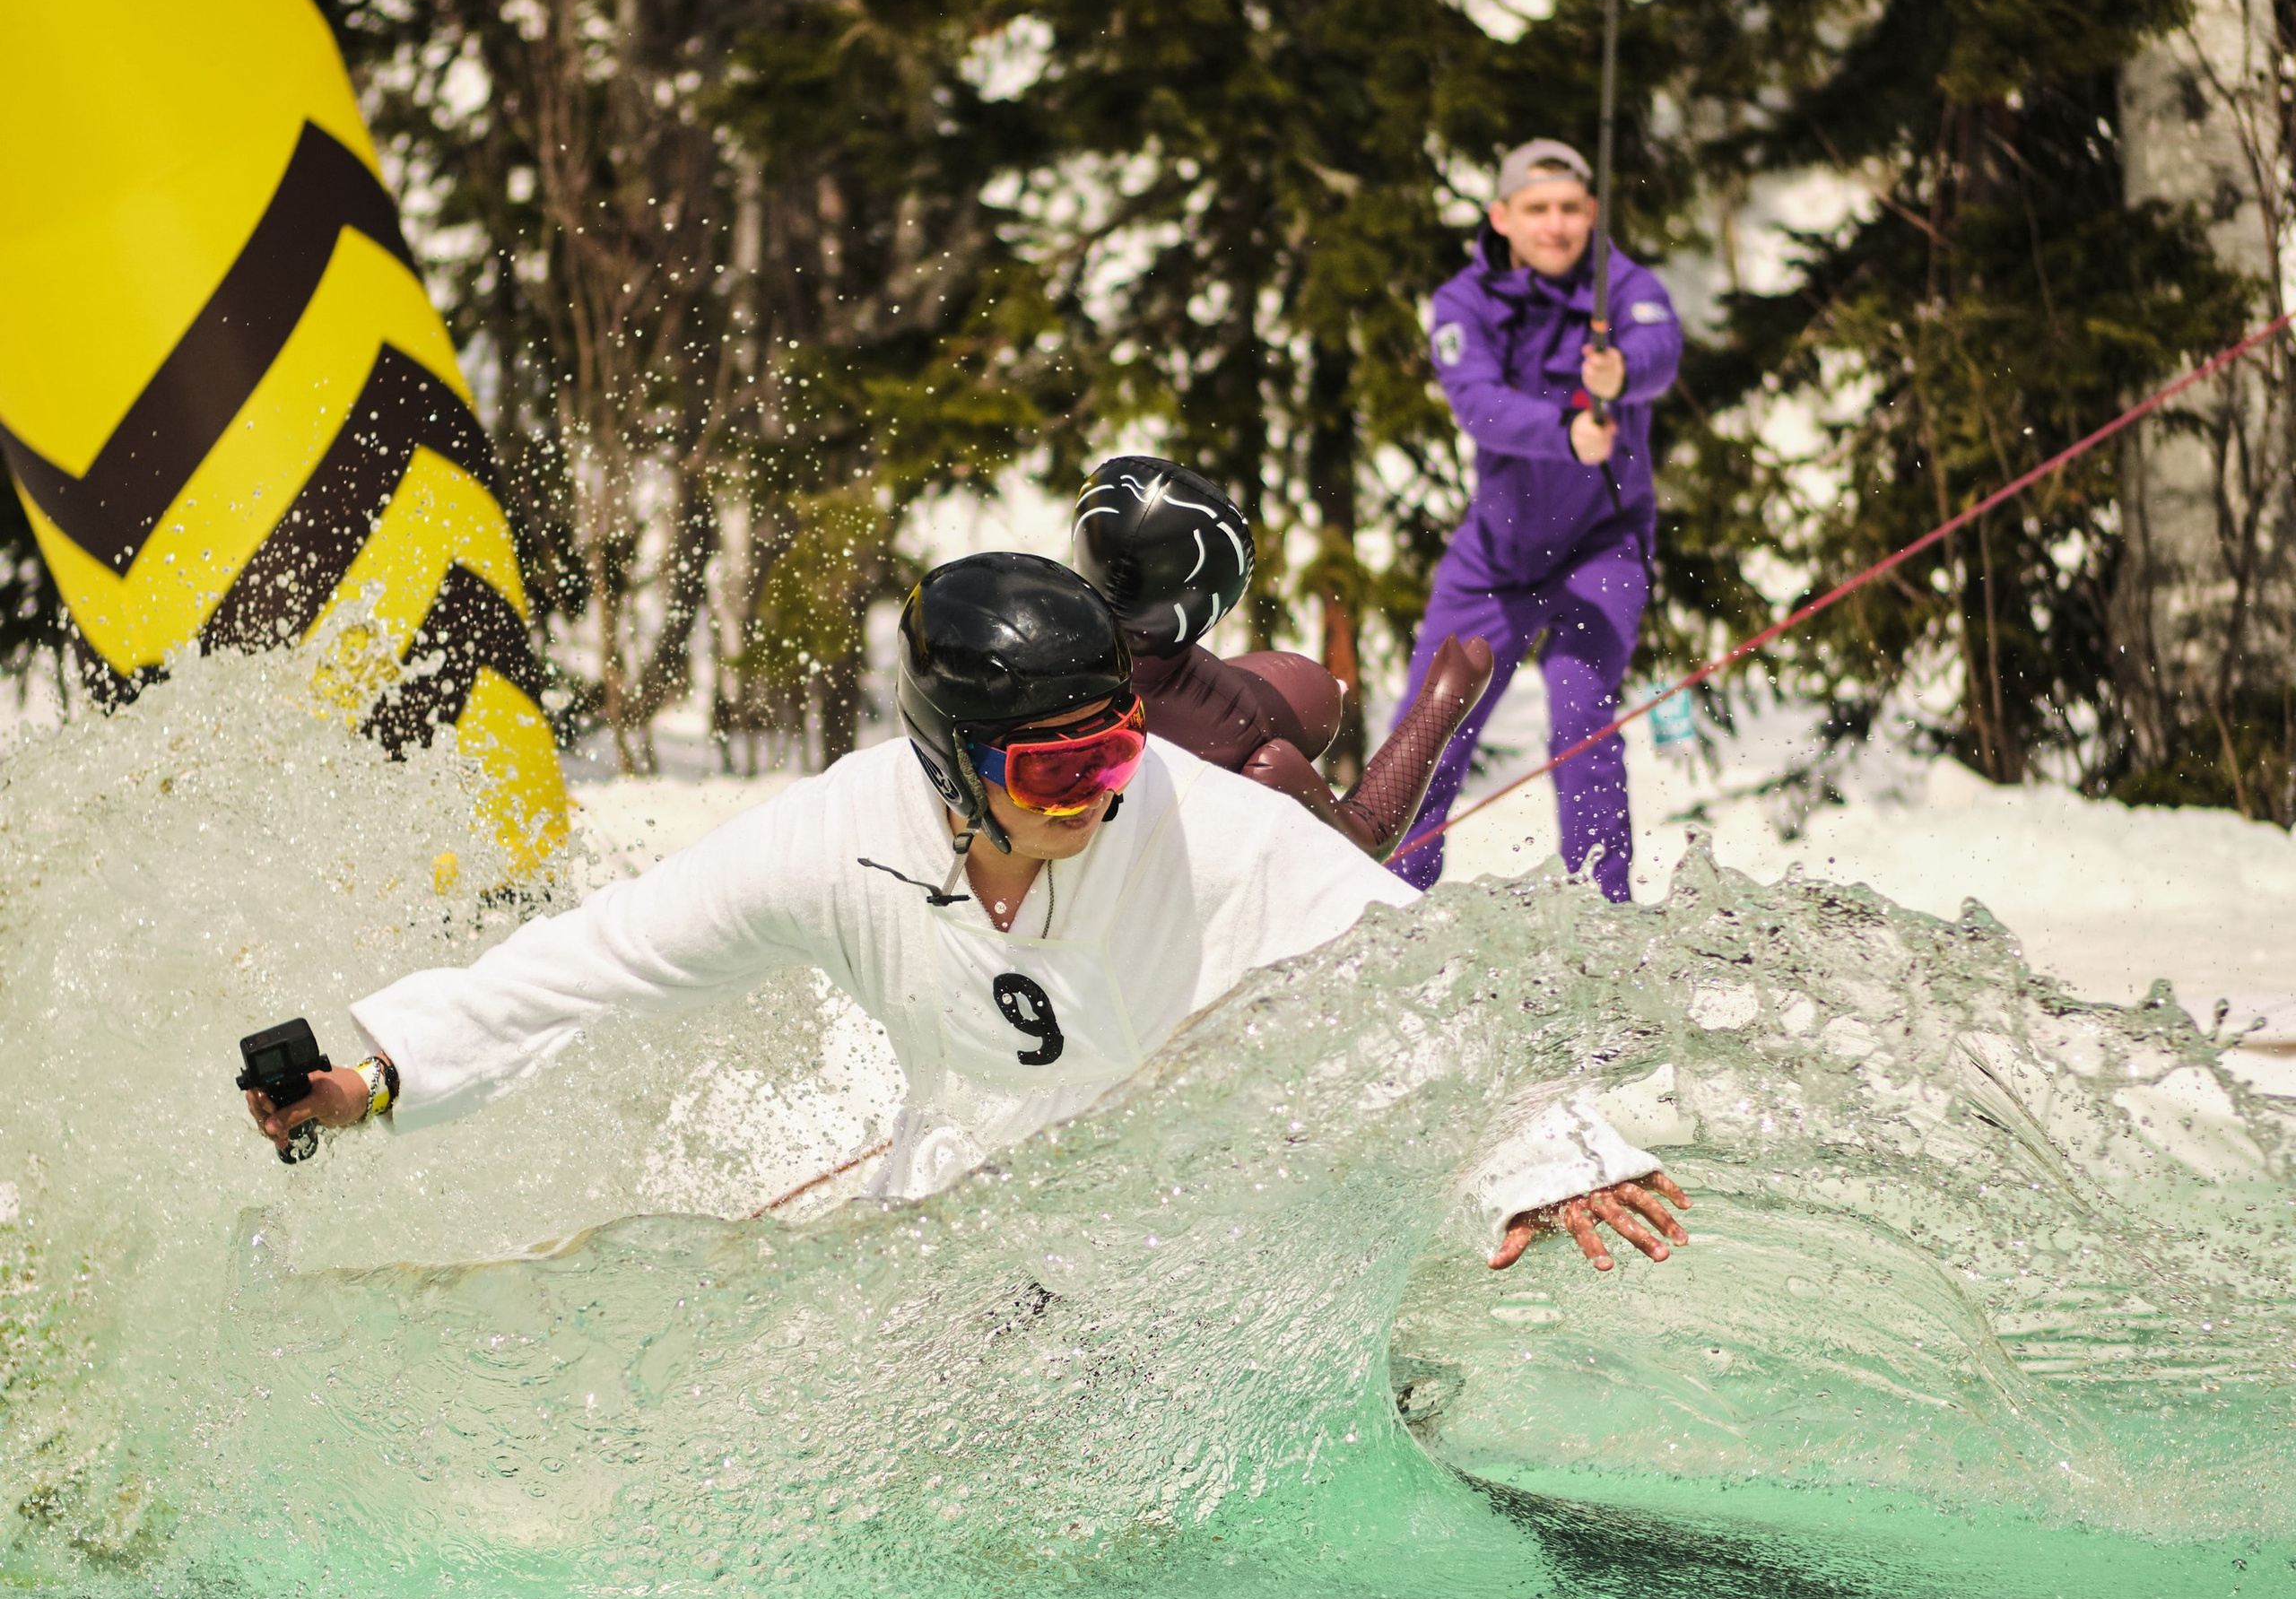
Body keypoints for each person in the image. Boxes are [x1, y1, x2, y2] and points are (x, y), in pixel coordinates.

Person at [247, 552, 1690, 1276]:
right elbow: (602, 962)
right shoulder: (837, 837)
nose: (1107, 790)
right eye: (1063, 766)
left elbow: (1421, 968)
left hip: (1204, 1223)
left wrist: (1546, 1153)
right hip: (965, 1225)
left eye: (1119, 745)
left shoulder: (1201, 830)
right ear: (950, 762)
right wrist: (378, 1080)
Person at [1394, 138, 1683, 893]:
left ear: (1590, 213)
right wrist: (1566, 435)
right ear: (1502, 216)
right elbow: (1478, 406)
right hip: (1494, 558)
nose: (1555, 226)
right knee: (1427, 731)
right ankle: (1390, 897)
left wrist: (1623, 370)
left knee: (1580, 712)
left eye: (1569, 209)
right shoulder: (1463, 301)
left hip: (1604, 546)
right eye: (1537, 209)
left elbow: (1661, 345)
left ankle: (1601, 906)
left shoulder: (1622, 284)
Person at [1069, 456, 1493, 862]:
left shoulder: (1053, 630)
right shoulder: (1238, 737)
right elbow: (1364, 839)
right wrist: (1442, 704)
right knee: (1305, 703)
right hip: (1220, 759)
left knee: (1306, 697)